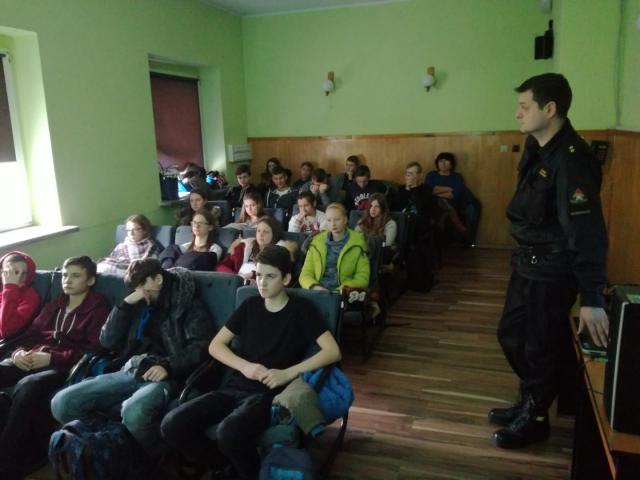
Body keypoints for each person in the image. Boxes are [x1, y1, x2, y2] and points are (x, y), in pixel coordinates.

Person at [489, 73, 609, 449]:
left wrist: (592, 297)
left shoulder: (573, 160)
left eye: (525, 107)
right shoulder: (536, 146)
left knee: (540, 346)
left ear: (550, 109)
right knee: (511, 335)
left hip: (552, 270)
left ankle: (536, 416)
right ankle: (531, 398)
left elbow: (586, 232)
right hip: (526, 261)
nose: (517, 113)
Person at [161, 245, 342, 479]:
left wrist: (288, 373)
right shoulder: (250, 306)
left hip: (270, 395)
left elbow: (332, 352)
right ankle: (224, 467)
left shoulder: (301, 310)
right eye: (259, 275)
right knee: (171, 424)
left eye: (270, 276)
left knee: (229, 432)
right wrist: (245, 367)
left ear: (286, 278)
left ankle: (246, 472)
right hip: (234, 386)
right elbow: (216, 346)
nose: (262, 282)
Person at [51, 259, 214, 457]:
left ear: (158, 279)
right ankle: (111, 446)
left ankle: (147, 459)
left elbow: (201, 346)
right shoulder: (138, 302)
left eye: (142, 285)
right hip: (133, 368)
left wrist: (168, 365)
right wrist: (124, 306)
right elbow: (108, 342)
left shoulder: (188, 305)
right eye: (135, 288)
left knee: (134, 411)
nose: (139, 292)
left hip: (169, 376)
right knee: (62, 402)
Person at [0, 256, 108, 479]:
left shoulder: (98, 309)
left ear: (90, 280)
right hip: (33, 358)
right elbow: (31, 334)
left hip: (64, 366)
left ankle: (6, 462)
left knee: (28, 385)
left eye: (75, 276)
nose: (67, 280)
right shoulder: (55, 304)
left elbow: (92, 350)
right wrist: (17, 352)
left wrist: (51, 358)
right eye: (65, 275)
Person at [299, 203, 370, 292]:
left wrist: (340, 290)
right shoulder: (316, 241)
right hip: (317, 291)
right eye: (329, 220)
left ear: (345, 220)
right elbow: (305, 274)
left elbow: (362, 278)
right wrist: (314, 286)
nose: (333, 224)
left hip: (343, 293)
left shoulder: (359, 242)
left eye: (337, 219)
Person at [425, 152, 481, 245]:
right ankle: (460, 228)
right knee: (441, 203)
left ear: (452, 163)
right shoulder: (432, 175)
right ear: (437, 163)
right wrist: (448, 188)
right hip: (434, 204)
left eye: (446, 161)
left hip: (454, 204)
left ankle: (462, 238)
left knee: (445, 204)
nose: (443, 163)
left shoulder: (457, 177)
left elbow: (454, 195)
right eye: (440, 161)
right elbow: (429, 190)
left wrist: (437, 191)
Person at [216, 216, 285, 282]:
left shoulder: (277, 253)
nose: (261, 235)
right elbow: (222, 266)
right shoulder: (244, 246)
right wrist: (236, 278)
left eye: (265, 232)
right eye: (259, 231)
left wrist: (253, 275)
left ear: (274, 235)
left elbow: (275, 277)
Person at [0, 251, 39, 340]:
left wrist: (10, 287)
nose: (19, 277)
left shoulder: (30, 296)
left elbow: (6, 330)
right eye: (14, 272)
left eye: (24, 273)